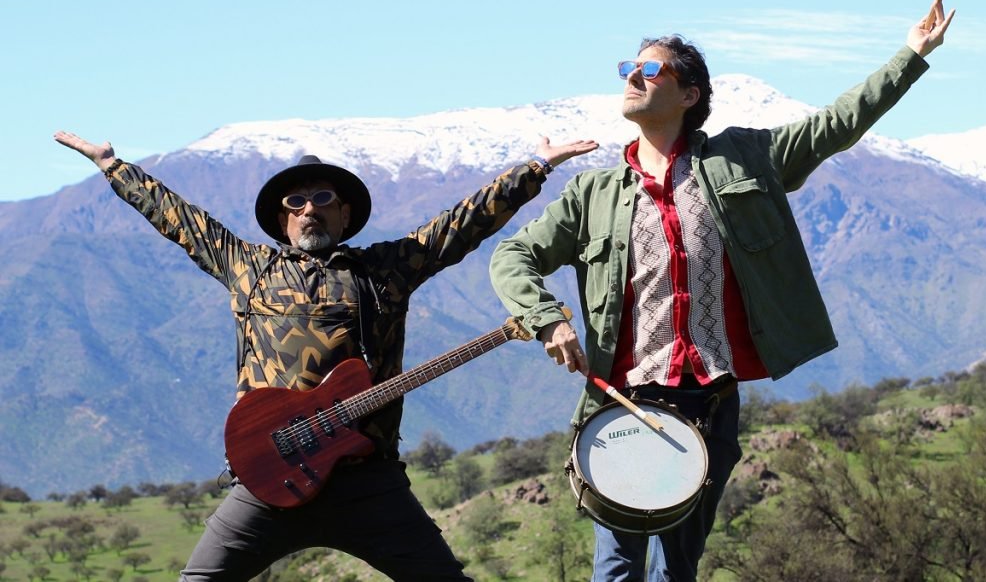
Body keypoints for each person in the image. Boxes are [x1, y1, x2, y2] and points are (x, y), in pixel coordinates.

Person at [488, 0, 954, 581]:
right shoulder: (594, 193)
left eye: (650, 69)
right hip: (621, 403)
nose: (633, 77)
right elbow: (512, 256)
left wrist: (911, 54)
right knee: (615, 570)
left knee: (674, 571)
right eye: (628, 68)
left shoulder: (745, 158)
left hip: (708, 405)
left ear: (690, 95)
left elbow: (837, 124)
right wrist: (547, 320)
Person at [54, 130, 597, 581]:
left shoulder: (385, 268)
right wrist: (113, 167)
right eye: (296, 203)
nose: (308, 209)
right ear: (282, 220)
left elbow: (460, 225)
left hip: (368, 483)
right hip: (268, 480)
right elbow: (179, 219)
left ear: (345, 214)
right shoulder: (247, 267)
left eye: (322, 199)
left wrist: (534, 169)